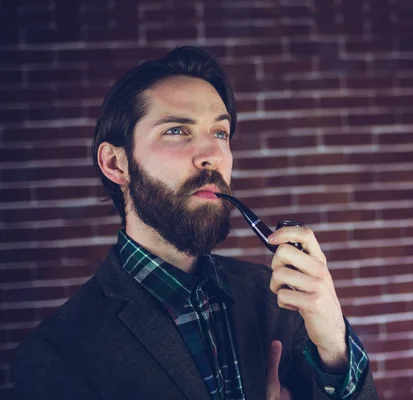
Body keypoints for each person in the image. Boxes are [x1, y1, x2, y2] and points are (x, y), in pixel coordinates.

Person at [13, 46, 378, 400]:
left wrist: (334, 345)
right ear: (116, 165)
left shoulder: (278, 300)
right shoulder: (60, 353)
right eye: (177, 130)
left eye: (220, 133)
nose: (212, 156)